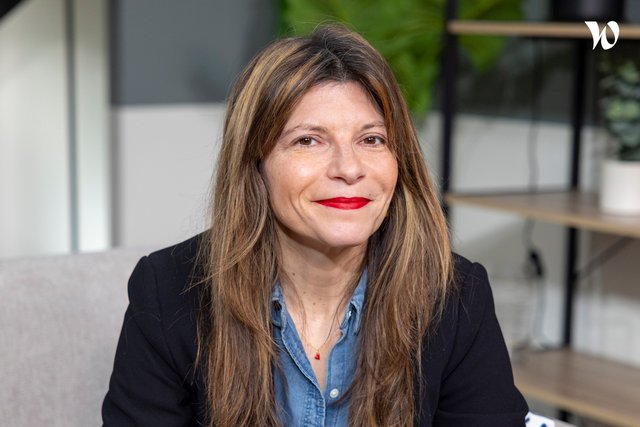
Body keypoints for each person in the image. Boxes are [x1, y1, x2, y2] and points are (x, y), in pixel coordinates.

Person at [102, 25, 528, 426]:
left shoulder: (456, 296)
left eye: (371, 139)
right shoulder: (170, 291)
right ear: (255, 163)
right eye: (308, 140)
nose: (349, 168)